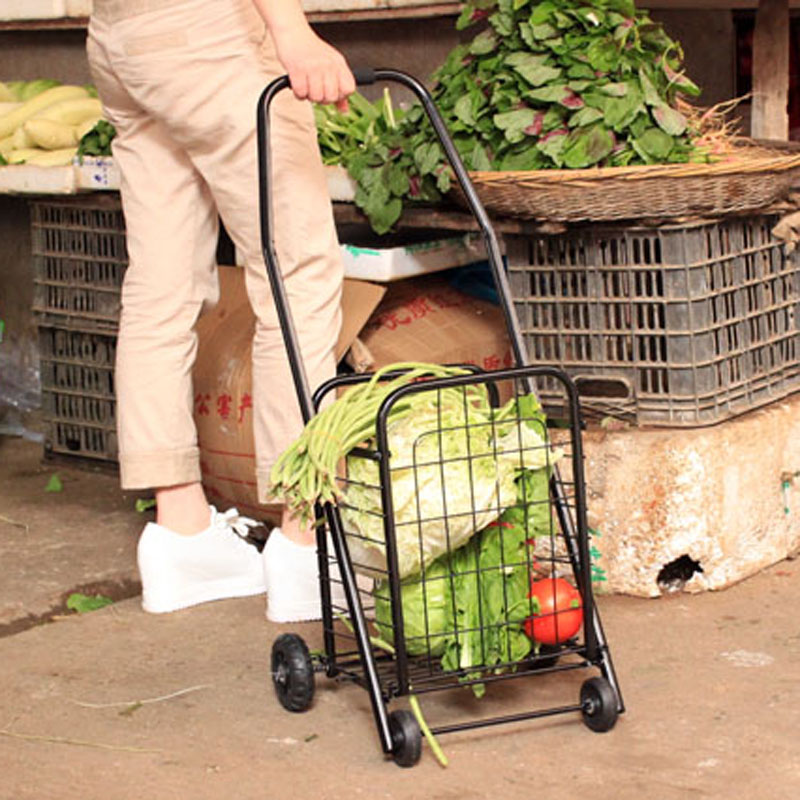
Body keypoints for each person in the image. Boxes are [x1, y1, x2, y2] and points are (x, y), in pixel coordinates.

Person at [86, 0, 355, 621]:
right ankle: (306, 540)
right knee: (296, 273)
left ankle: (182, 533)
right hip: (212, 35)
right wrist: (292, 31)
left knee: (161, 285)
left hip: (121, 38)